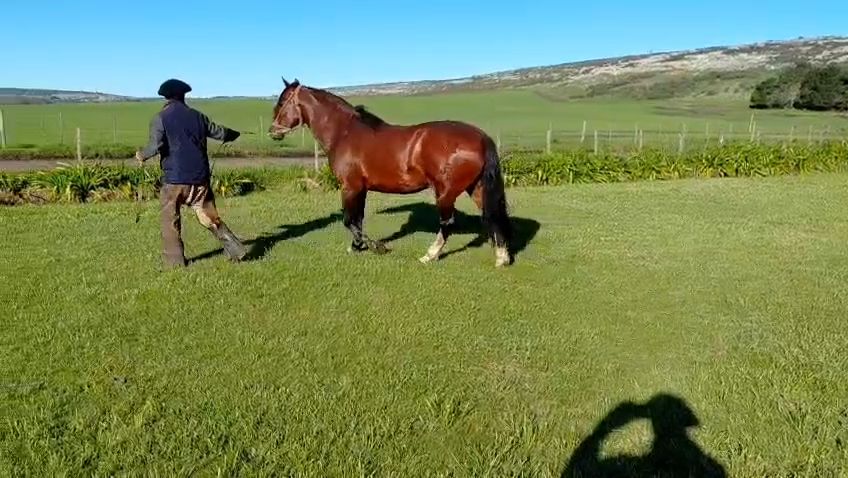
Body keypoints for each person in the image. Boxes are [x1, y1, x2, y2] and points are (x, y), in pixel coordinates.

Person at [136, 78, 249, 269]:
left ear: (165, 96)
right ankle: (237, 250)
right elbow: (220, 132)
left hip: (174, 181)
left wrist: (142, 155)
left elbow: (156, 146)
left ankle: (175, 263)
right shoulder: (198, 116)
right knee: (209, 217)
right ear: (183, 95)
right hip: (200, 179)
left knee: (169, 220)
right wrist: (234, 134)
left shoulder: (160, 118)